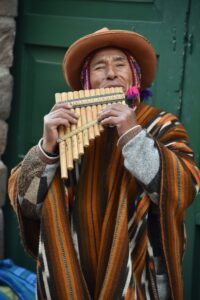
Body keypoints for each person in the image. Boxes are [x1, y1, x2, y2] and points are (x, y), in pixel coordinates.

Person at [8, 28, 200, 300]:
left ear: (135, 77)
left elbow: (184, 188)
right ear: (86, 84)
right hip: (73, 272)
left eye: (120, 64)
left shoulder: (162, 124)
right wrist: (46, 148)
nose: (111, 73)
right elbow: (27, 203)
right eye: (99, 67)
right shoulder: (67, 129)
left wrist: (133, 134)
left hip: (136, 274)